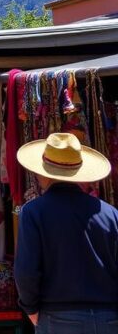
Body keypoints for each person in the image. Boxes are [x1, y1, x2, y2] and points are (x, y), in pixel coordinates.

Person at [14, 132, 118, 331]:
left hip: (58, 318)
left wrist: (30, 308)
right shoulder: (111, 214)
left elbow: (26, 271)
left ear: (43, 173)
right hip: (109, 319)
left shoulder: (33, 212)